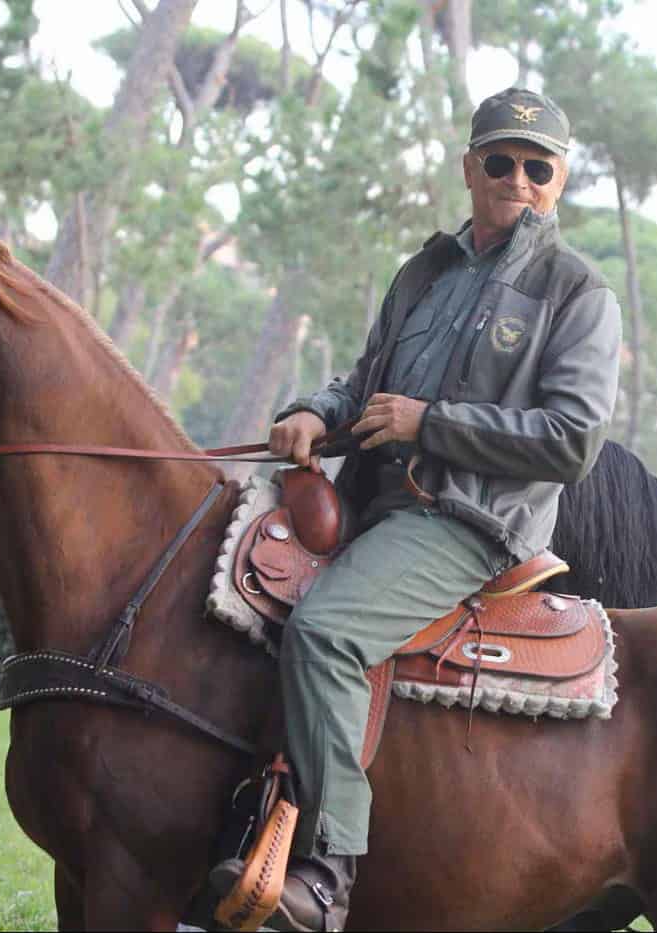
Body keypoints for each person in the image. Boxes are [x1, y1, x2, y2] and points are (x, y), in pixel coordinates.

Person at [260, 87, 622, 930]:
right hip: (369, 500)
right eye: (501, 160)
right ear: (469, 168)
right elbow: (366, 381)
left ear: (561, 180)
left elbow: (573, 440)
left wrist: (432, 424)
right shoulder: (424, 271)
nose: (518, 178)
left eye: (538, 167)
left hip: (467, 523)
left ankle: (327, 868)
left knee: (326, 632)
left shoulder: (577, 291)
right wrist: (315, 410)